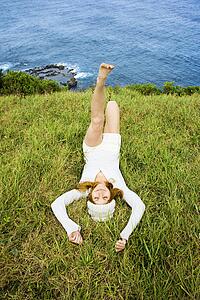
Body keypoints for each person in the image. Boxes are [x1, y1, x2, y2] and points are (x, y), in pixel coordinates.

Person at [51, 63, 145, 252]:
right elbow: (139, 207)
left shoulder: (84, 190)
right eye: (105, 197)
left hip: (92, 149)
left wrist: (71, 228)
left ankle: (101, 79)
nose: (101, 193)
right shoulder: (120, 187)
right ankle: (102, 91)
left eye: (97, 197)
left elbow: (57, 204)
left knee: (97, 121)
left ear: (91, 198)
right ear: (111, 197)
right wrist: (124, 235)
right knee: (112, 105)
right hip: (112, 145)